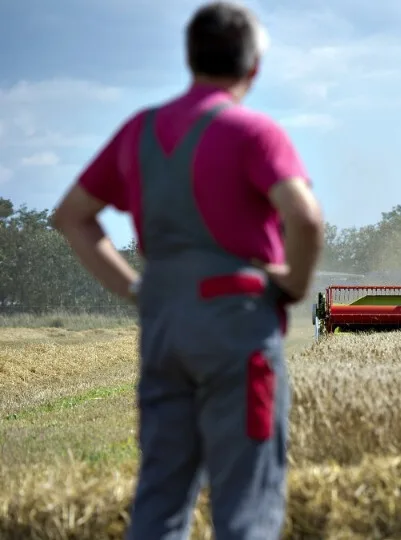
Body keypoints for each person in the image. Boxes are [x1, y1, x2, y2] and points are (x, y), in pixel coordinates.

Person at [50, 2, 324, 538]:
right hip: (236, 324)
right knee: (245, 500)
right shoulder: (254, 132)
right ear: (254, 68)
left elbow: (72, 217)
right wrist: (291, 283)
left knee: (161, 495)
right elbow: (305, 218)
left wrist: (135, 290)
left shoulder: (140, 130)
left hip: (163, 325)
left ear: (190, 58)